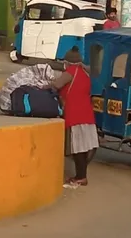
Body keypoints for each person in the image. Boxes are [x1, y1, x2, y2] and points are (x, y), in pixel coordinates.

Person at [53, 46, 98, 186]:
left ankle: (81, 177)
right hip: (87, 114)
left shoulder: (70, 72)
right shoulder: (85, 73)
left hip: (76, 114)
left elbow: (56, 85)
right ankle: (81, 175)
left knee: (78, 148)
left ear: (67, 62)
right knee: (85, 146)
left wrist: (45, 85)